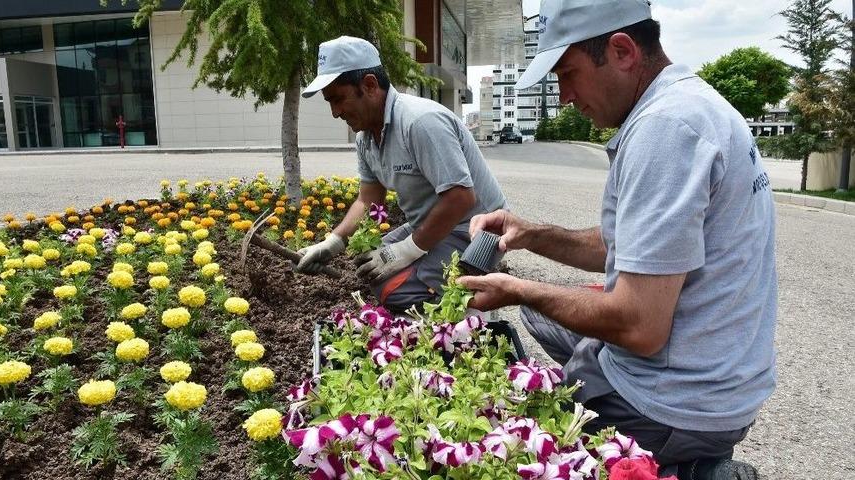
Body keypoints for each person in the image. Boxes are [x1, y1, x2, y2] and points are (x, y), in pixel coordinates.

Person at [457, 1, 775, 479]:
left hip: (679, 400)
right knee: (544, 325)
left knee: (527, 446)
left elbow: (640, 328)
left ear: (622, 51)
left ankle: (696, 470)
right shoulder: (687, 103)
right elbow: (627, 247)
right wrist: (530, 235)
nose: (564, 95)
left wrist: (519, 287)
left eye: (568, 73)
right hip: (718, 376)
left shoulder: (666, 129)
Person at [296, 36, 508, 312]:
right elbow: (368, 200)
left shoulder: (420, 122)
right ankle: (441, 295)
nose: (335, 112)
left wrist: (406, 250)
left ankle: (469, 317)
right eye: (330, 103)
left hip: (478, 231)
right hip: (434, 223)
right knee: (369, 267)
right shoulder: (367, 137)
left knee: (394, 290)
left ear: (370, 85)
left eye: (338, 99)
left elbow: (461, 198)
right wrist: (332, 243)